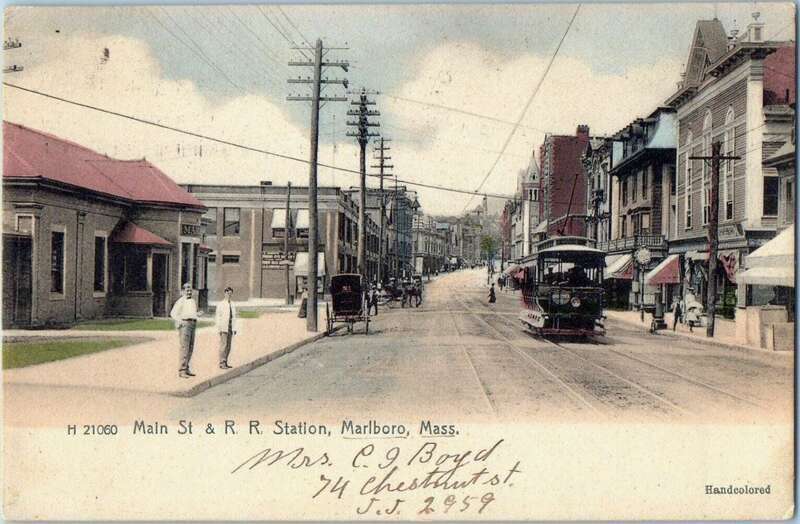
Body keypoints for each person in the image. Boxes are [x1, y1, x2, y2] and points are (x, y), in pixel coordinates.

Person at [170, 283, 200, 379]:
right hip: (185, 325)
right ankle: (182, 370)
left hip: (193, 324)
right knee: (184, 347)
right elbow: (173, 313)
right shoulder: (180, 301)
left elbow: (192, 313)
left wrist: (197, 314)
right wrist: (180, 322)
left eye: (190, 290)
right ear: (183, 291)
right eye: (187, 290)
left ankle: (186, 368)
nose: (189, 292)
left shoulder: (192, 301)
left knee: (190, 347)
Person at [215, 286, 238, 369]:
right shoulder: (221, 304)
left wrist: (234, 328)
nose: (229, 295)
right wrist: (219, 328)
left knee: (228, 345)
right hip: (224, 327)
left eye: (230, 294)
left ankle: (226, 361)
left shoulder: (232, 304)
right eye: (228, 293)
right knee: (223, 345)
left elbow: (234, 317)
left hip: (230, 327)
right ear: (225, 293)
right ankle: (222, 362)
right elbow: (218, 317)